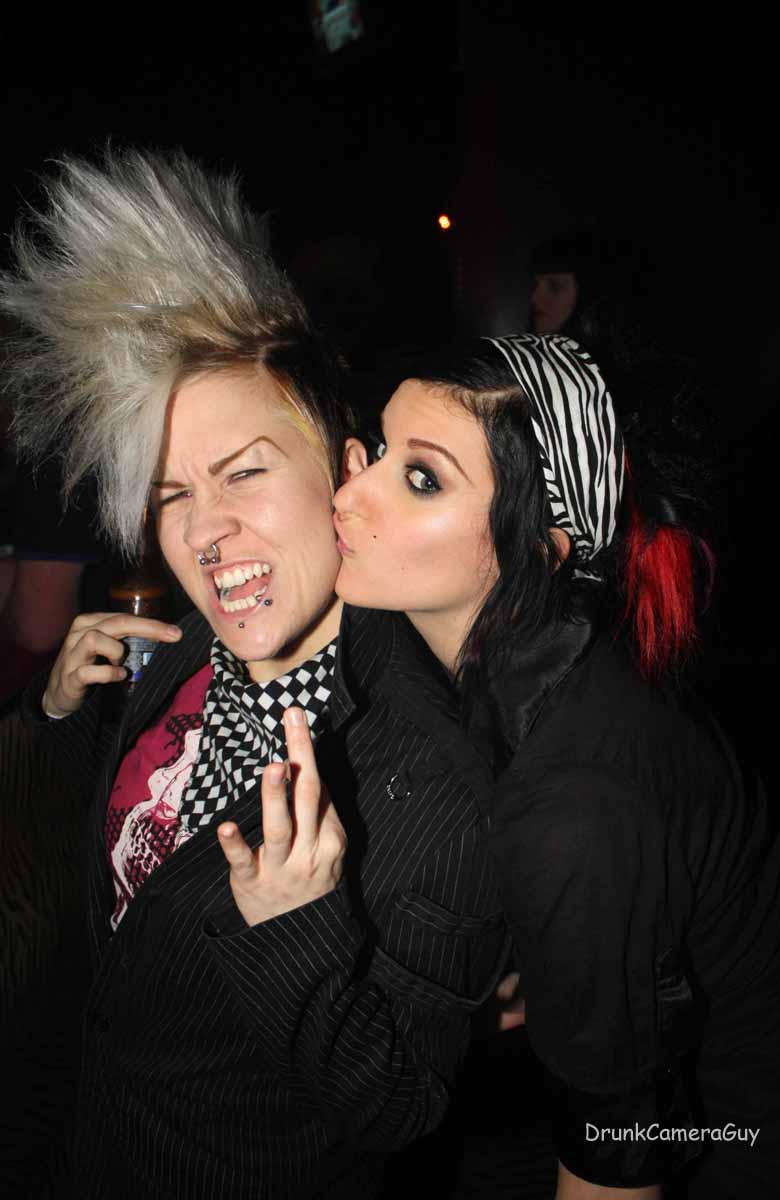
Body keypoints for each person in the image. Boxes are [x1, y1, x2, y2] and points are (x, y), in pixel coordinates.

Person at [0, 150, 508, 1199]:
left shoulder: (428, 778)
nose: (204, 531)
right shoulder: (186, 648)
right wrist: (56, 716)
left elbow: (402, 1108)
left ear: (344, 474)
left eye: (243, 475)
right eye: (172, 493)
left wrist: (295, 928)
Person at [332, 334, 780, 1199]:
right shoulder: (531, 665)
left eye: (422, 478)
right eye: (379, 448)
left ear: (544, 546)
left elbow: (622, 1149)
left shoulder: (574, 799)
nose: (349, 492)